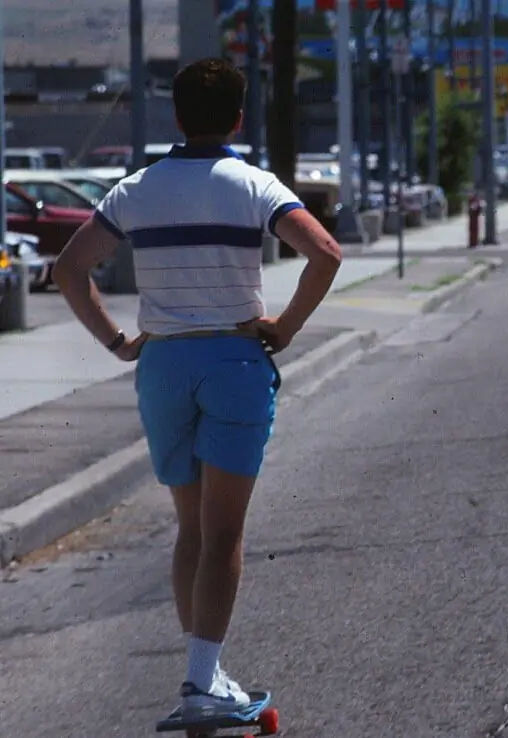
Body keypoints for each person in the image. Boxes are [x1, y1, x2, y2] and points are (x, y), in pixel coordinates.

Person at [52, 58, 342, 718]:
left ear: (176, 115)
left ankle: (203, 673)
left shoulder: (135, 190)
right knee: (224, 533)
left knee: (191, 530)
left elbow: (70, 270)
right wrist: (286, 327)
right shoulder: (254, 185)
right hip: (234, 362)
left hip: (163, 366)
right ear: (239, 117)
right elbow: (325, 253)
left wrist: (117, 342)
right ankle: (202, 682)